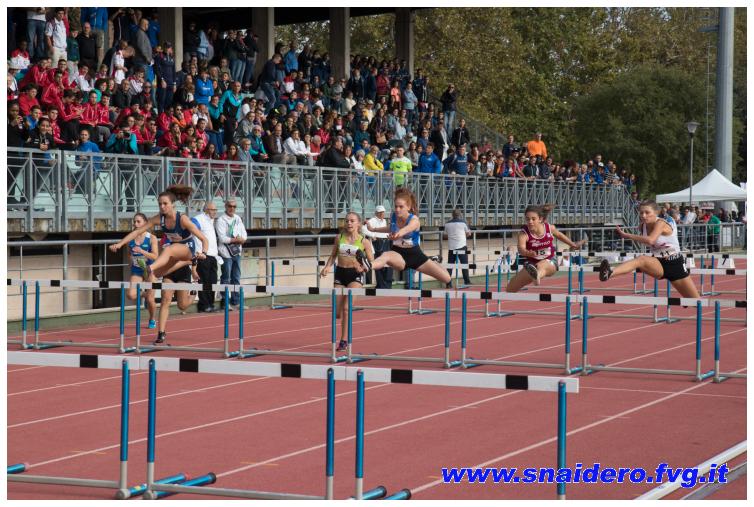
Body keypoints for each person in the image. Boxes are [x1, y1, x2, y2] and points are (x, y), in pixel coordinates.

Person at [109, 185, 209, 344]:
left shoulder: (182, 219)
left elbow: (204, 239)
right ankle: (161, 333)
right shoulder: (159, 218)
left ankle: (154, 269)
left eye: (165, 204)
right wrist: (120, 244)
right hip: (173, 257)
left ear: (173, 204)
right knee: (166, 297)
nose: (162, 207)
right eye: (160, 204)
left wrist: (203, 252)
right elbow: (137, 232)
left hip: (187, 250)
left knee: (167, 253)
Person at [598, 200, 700, 298]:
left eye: (647, 212)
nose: (643, 215)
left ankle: (690, 300)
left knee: (695, 302)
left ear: (656, 213)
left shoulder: (661, 223)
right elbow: (647, 241)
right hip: (658, 263)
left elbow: (650, 240)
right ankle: (609, 273)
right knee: (641, 260)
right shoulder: (642, 227)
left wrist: (627, 235)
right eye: (641, 213)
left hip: (675, 264)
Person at [367, 188, 451, 284]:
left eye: (401, 207)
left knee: (447, 279)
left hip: (415, 255)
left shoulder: (414, 220)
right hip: (398, 253)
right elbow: (391, 227)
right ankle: (368, 266)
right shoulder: (393, 216)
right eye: (396, 206)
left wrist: (398, 234)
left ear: (408, 207)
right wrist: (374, 229)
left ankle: (432, 261)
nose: (397, 209)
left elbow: (407, 229)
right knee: (385, 255)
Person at [320, 212, 374, 351]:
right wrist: (327, 267)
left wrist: (363, 267)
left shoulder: (364, 242)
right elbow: (333, 255)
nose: (349, 223)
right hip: (340, 273)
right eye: (347, 221)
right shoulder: (339, 238)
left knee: (346, 308)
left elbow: (372, 262)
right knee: (337, 313)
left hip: (355, 275)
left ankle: (343, 340)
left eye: (352, 221)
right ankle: (342, 324)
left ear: (358, 223)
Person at [506, 204, 586, 292]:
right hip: (531, 264)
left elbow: (560, 235)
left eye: (533, 219)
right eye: (527, 219)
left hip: (550, 261)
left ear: (540, 219)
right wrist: (527, 253)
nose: (530, 222)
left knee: (541, 266)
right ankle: (534, 274)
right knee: (510, 288)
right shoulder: (523, 234)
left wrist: (573, 244)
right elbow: (521, 249)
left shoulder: (549, 228)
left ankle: (536, 276)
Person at [126, 213, 158, 328]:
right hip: (137, 270)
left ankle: (152, 319)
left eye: (138, 221)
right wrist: (133, 261)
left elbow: (155, 256)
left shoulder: (151, 238)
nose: (136, 224)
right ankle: (145, 294)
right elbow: (129, 253)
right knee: (130, 295)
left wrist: (142, 251)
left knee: (150, 300)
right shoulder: (130, 238)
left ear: (145, 223)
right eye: (134, 221)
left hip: (150, 270)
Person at [216, 199, 248, 310]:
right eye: (230, 206)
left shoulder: (237, 218)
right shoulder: (221, 220)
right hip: (225, 253)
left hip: (236, 252)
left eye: (234, 206)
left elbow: (244, 234)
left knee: (236, 278)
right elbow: (222, 238)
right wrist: (236, 240)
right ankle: (225, 303)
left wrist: (242, 239)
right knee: (226, 278)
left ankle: (236, 302)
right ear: (226, 206)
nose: (232, 208)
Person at [193, 201, 221, 312]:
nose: (215, 212)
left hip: (213, 256)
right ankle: (204, 305)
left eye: (215, 210)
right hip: (203, 256)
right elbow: (190, 229)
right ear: (206, 210)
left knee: (213, 281)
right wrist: (197, 251)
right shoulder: (199, 219)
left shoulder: (211, 220)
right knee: (204, 281)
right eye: (212, 210)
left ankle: (210, 304)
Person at [361, 205, 392, 288]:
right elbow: (363, 229)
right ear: (377, 213)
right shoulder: (372, 220)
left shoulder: (384, 221)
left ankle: (386, 285)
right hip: (378, 243)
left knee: (387, 263)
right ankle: (381, 285)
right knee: (379, 264)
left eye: (383, 212)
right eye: (380, 212)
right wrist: (372, 235)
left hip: (385, 241)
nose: (382, 214)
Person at [444, 209, 472, 288]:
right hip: (462, 246)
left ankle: (448, 283)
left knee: (450, 265)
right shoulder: (463, 223)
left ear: (452, 215)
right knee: (464, 264)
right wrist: (463, 236)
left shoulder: (447, 224)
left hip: (451, 247)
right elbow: (469, 233)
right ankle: (467, 281)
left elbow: (445, 235)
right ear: (460, 215)